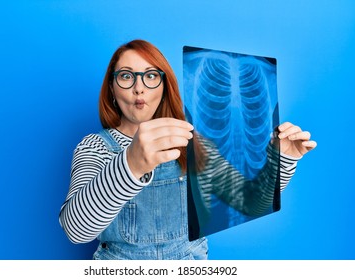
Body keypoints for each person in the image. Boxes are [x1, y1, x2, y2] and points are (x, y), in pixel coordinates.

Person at [59, 39, 317, 260]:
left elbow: (249, 200)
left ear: (163, 87)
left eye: (150, 76)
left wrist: (283, 158)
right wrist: (131, 164)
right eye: (126, 76)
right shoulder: (95, 147)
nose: (139, 87)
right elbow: (76, 230)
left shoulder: (191, 142)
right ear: (112, 90)